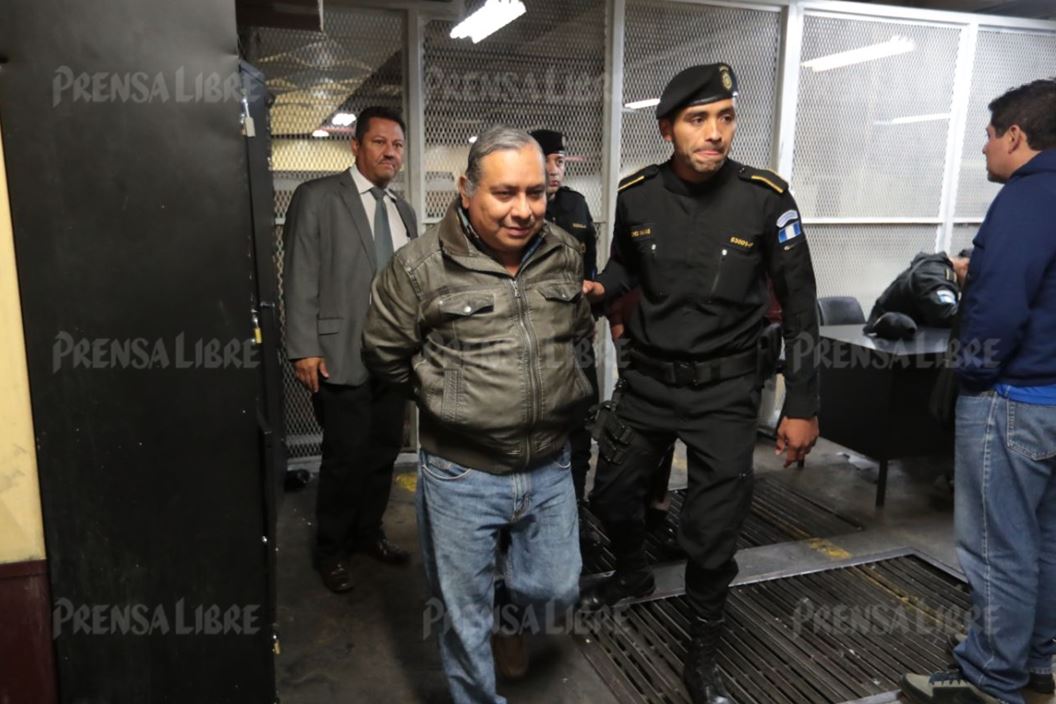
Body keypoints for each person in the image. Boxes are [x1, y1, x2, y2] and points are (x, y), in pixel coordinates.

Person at [581, 63, 821, 704]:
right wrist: (602, 288)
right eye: (697, 119)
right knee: (609, 495)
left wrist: (802, 403)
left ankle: (703, 649)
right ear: (667, 129)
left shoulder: (767, 197)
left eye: (726, 116)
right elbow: (624, 266)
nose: (715, 132)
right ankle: (632, 573)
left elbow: (801, 305)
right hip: (649, 383)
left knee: (711, 534)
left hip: (725, 393)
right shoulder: (636, 195)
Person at [363, 126, 593, 704]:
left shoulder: (564, 252)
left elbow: (577, 335)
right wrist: (448, 397)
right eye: (505, 193)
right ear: (466, 190)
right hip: (460, 474)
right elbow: (384, 352)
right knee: (462, 617)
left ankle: (509, 621)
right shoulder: (419, 268)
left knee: (557, 590)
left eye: (535, 193)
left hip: (548, 464)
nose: (523, 210)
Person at [900, 79, 1056, 704]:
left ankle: (989, 680)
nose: (985, 148)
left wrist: (969, 378)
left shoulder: (1026, 198)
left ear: (1015, 135)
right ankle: (1038, 663)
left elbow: (1000, 311)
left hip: (1013, 402)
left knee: (998, 547)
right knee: (1044, 542)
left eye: (989, 136)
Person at [283, 106, 418, 593]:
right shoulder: (318, 197)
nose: (390, 152)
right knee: (344, 457)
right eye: (380, 142)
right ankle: (331, 550)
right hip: (339, 353)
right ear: (356, 146)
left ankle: (368, 533)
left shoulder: (402, 211)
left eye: (398, 145)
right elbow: (299, 274)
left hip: (393, 357)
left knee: (383, 451)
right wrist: (303, 347)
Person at [529, 128, 600, 503]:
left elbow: (590, 270)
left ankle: (575, 515)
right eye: (549, 161)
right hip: (535, 340)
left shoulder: (576, 206)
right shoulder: (520, 211)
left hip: (577, 337)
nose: (556, 170)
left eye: (560, 162)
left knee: (581, 428)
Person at [863, 249, 971, 338]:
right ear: (966, 266)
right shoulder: (934, 273)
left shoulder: (936, 267)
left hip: (911, 342)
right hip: (888, 341)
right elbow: (946, 314)